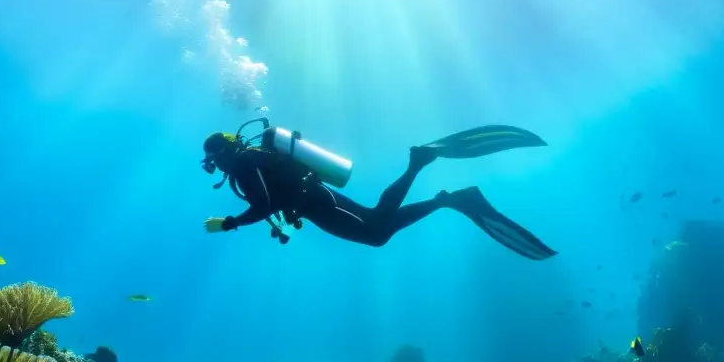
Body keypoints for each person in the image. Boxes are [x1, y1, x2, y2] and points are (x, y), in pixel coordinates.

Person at [199, 127, 556, 260]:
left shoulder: (245, 165)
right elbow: (271, 201)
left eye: (212, 162)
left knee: (375, 231)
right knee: (375, 227)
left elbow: (263, 204)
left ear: (221, 155)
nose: (214, 168)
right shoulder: (250, 160)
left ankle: (423, 170)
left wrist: (231, 223)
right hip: (314, 200)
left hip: (316, 201)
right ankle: (449, 198)